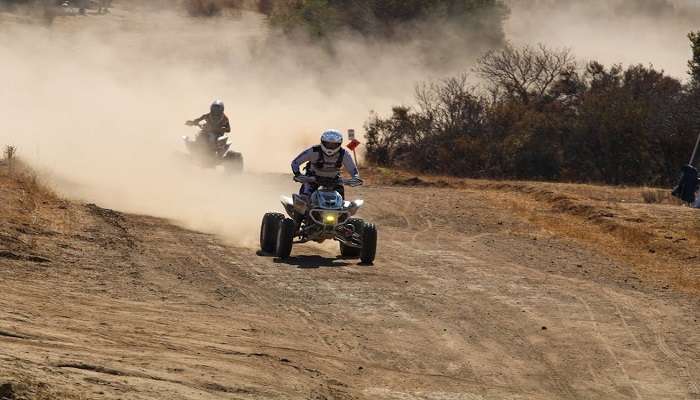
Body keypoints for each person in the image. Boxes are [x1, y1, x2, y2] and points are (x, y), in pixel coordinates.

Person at [291, 129, 360, 199]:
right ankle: (297, 209)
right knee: (303, 199)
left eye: (334, 144)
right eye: (328, 144)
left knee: (341, 202)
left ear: (339, 144)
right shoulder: (313, 151)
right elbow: (295, 163)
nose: (330, 147)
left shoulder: (344, 154)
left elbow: (352, 169)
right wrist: (298, 174)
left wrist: (355, 177)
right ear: (322, 142)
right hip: (312, 179)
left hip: (334, 181)